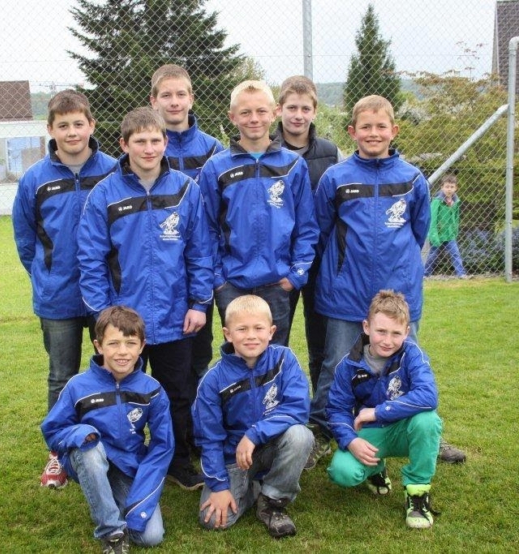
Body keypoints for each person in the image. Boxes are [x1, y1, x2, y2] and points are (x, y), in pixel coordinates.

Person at [311, 95, 465, 465]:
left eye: (381, 126)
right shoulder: (336, 178)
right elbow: (322, 230)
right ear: (352, 132)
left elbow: (418, 232)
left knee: (408, 365)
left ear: (393, 130)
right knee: (335, 366)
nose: (374, 133)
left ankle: (422, 430)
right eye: (365, 127)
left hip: (399, 296)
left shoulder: (412, 179)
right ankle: (321, 433)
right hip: (346, 294)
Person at [78, 107, 214, 491]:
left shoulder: (186, 190)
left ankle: (177, 461)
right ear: (124, 145)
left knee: (178, 393)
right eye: (140, 141)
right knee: (123, 394)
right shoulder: (105, 194)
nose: (149, 148)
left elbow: (200, 251)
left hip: (176, 316)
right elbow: (90, 259)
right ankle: (124, 460)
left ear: (166, 142)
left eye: (155, 140)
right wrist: (105, 315)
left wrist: (199, 303)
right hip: (124, 320)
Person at [12, 89, 117, 489]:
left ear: (91, 125)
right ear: (50, 129)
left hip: (106, 294)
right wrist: (46, 274)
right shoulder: (35, 179)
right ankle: (59, 452)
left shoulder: (113, 170)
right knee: (62, 376)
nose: (72, 132)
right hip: (58, 296)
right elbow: (26, 240)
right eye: (63, 125)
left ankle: (114, 445)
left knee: (114, 370)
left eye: (78, 123)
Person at [41, 306, 174, 552]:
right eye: (113, 344)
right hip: (88, 458)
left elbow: (162, 447)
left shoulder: (152, 389)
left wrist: (142, 496)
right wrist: (80, 434)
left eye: (130, 343)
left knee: (150, 536)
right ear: (99, 346)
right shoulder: (77, 386)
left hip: (128, 466)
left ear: (141, 346)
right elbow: (53, 431)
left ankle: (109, 499)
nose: (122, 352)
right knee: (89, 451)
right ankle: (111, 532)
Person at [197, 80, 318, 347]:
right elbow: (205, 229)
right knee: (237, 354)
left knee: (274, 356)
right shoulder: (216, 167)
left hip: (278, 282)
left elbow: (307, 226)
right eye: (245, 112)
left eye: (261, 111)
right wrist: (217, 278)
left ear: (274, 113)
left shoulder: (293, 165)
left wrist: (295, 275)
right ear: (232, 117)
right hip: (232, 283)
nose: (254, 119)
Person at [192, 295, 313, 539]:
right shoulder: (213, 380)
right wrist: (219, 486)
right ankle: (252, 489)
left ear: (271, 332)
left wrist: (255, 434)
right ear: (228, 334)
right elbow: (209, 438)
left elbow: (298, 408)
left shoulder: (284, 360)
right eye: (242, 329)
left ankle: (272, 502)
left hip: (272, 445)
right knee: (214, 521)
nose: (251, 336)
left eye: (258, 328)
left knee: (301, 436)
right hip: (235, 457)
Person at [325, 290, 443, 530]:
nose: (387, 341)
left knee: (427, 421)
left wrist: (378, 412)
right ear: (366, 327)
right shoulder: (348, 365)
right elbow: (337, 409)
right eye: (381, 331)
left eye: (396, 333)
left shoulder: (413, 355)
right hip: (372, 433)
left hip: (404, 429)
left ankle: (418, 494)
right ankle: (376, 468)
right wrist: (351, 441)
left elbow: (428, 396)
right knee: (342, 472)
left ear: (406, 332)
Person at [272, 75, 342, 470]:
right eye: (291, 107)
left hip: (320, 263)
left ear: (315, 111)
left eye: (305, 108)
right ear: (279, 109)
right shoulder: (266, 149)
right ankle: (274, 418)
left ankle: (321, 422)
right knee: (274, 343)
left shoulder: (330, 153)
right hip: (278, 267)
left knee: (322, 345)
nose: (298, 115)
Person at [149, 63, 224, 380]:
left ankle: (196, 410)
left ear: (192, 98)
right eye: (166, 95)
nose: (174, 102)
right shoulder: (147, 147)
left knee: (198, 353)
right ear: (154, 101)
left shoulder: (213, 150)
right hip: (157, 264)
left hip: (200, 264)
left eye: (181, 94)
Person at [424, 174, 467, 278]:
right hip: (437, 234)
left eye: (452, 187)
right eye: (447, 187)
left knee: (455, 254)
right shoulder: (437, 201)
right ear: (442, 187)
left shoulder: (455, 201)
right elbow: (433, 219)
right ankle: (425, 274)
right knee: (433, 255)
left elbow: (456, 217)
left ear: (456, 188)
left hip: (449, 234)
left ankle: (461, 274)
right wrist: (433, 235)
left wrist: (455, 230)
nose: (449, 189)